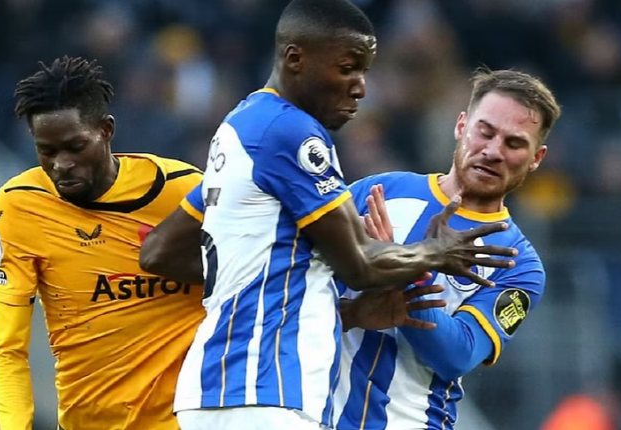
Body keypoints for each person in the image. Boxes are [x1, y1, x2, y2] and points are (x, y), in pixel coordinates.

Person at [157, 1, 518, 429]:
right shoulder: (292, 132)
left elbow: (160, 252)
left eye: (364, 71)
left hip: (218, 386)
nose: (361, 87)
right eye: (347, 68)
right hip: (267, 387)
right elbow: (360, 265)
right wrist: (434, 253)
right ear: (295, 58)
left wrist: (341, 312)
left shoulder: (241, 126)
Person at [332, 68, 561, 430]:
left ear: (536, 158)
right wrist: (352, 313)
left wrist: (403, 270)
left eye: (514, 144)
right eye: (485, 132)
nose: (493, 151)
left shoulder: (518, 263)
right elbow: (298, 286)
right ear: (461, 126)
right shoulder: (380, 192)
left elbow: (459, 355)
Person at [0, 56, 205, 430]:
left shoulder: (184, 191)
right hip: (87, 421)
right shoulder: (21, 207)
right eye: (47, 151)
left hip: (187, 419)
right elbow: (7, 349)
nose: (61, 164)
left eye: (75, 147)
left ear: (106, 130)